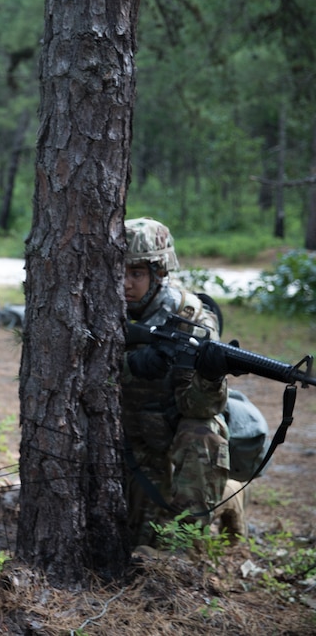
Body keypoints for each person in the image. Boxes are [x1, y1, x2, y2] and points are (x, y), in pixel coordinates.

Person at [121, 217, 232, 548]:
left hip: (171, 436)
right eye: (119, 272)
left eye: (136, 274)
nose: (125, 283)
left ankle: (188, 549)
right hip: (127, 441)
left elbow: (200, 408)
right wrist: (129, 365)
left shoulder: (191, 319)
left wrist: (209, 375)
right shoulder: (93, 306)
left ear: (159, 274)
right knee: (132, 540)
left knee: (204, 432)